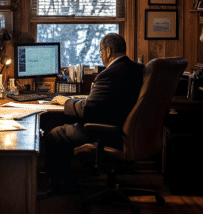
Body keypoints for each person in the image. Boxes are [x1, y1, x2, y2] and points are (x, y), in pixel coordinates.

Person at [43, 33, 144, 192]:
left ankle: (59, 185)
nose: (101, 56)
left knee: (55, 133)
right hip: (130, 132)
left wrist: (66, 101)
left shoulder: (108, 75)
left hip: (107, 133)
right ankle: (82, 174)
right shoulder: (140, 70)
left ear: (109, 51)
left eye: (101, 52)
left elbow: (87, 110)